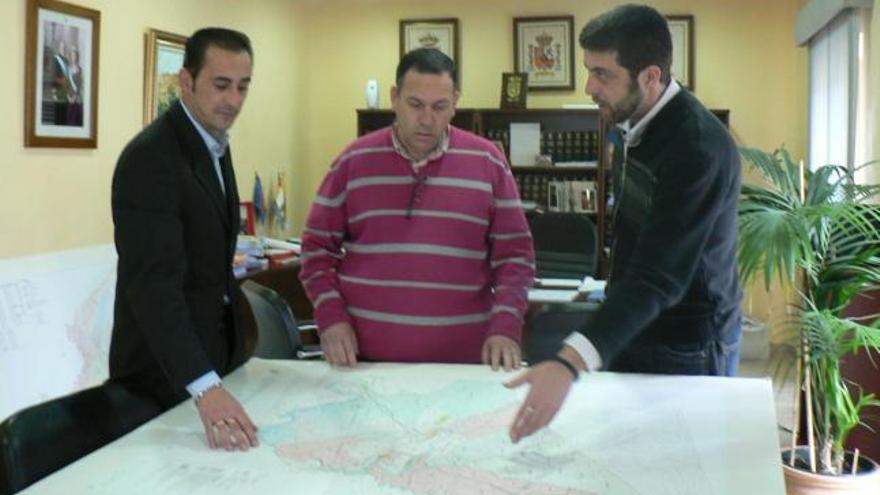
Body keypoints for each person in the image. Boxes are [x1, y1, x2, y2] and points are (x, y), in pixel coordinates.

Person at [508, 4, 742, 442]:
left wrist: (567, 362)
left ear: (650, 77)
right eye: (588, 71)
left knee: (679, 466)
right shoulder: (631, 121)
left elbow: (660, 276)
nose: (589, 87)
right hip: (636, 325)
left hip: (686, 344)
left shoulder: (696, 146)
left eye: (602, 74)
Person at [299, 48, 535, 371]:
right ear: (395, 98)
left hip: (463, 366)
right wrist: (330, 318)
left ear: (455, 102)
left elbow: (516, 257)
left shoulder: (488, 162)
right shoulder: (353, 162)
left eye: (440, 106)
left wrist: (506, 326)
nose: (426, 119)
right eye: (415, 105)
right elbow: (315, 250)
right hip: (365, 366)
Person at [109, 27, 258, 452]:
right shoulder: (151, 158)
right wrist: (205, 386)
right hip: (161, 376)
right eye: (221, 85)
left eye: (243, 87)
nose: (233, 100)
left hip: (212, 364)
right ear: (186, 81)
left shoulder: (213, 142)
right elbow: (153, 286)